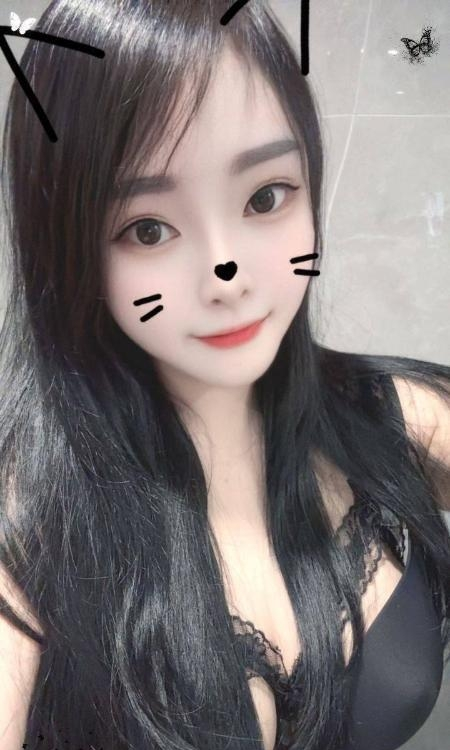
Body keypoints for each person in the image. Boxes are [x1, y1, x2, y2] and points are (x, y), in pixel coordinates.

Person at [0, 2, 448, 749]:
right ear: (68, 244)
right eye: (148, 229)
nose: (225, 273)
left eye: (265, 197)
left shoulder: (390, 417)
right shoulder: (28, 527)